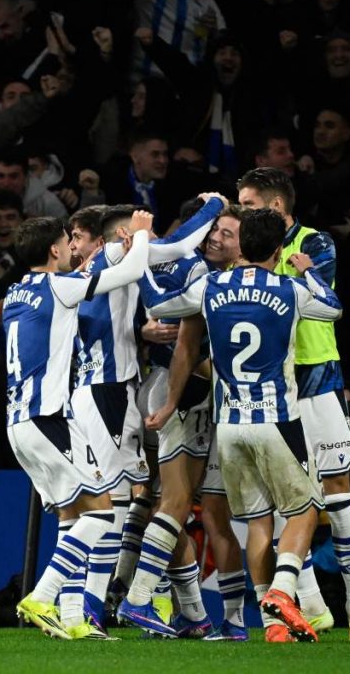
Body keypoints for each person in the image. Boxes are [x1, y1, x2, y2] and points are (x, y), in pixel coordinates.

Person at [140, 208, 342, 643]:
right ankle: (283, 591)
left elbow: (158, 304)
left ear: (242, 245)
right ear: (278, 250)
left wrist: (140, 255)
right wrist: (308, 271)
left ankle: (273, 626)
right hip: (276, 419)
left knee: (258, 523)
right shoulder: (290, 289)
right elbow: (333, 308)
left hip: (229, 425)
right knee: (305, 511)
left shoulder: (210, 285)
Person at [237, 167, 350, 641]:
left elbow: (321, 300)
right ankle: (314, 606)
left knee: (337, 494)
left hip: (318, 379)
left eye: (249, 204)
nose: (241, 212)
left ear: (276, 206)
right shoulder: (247, 251)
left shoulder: (315, 244)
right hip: (276, 389)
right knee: (289, 501)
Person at [6, 209, 155, 640]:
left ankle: (72, 618)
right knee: (102, 511)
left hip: (19, 423)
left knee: (72, 517)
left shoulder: (14, 293)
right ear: (54, 250)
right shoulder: (60, 285)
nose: (71, 247)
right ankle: (42, 596)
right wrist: (141, 235)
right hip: (49, 419)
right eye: (65, 241)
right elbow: (130, 270)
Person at [134, 201, 249, 641]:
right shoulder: (197, 273)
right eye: (214, 229)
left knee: (209, 513)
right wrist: (144, 332)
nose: (215, 237)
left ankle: (228, 619)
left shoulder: (224, 283)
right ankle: (164, 603)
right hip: (196, 401)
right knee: (175, 503)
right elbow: (175, 338)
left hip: (223, 410)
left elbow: (189, 346)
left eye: (226, 233)